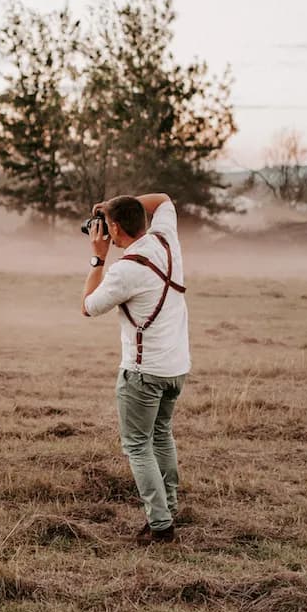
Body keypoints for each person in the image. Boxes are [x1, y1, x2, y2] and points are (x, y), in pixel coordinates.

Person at [81, 192, 189, 544]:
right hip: (176, 367)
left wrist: (98, 260)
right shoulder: (165, 239)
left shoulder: (124, 270)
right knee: (161, 435)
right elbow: (164, 199)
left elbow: (89, 307)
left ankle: (160, 524)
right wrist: (114, 203)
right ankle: (169, 506)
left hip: (143, 373)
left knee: (138, 446)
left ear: (113, 228)